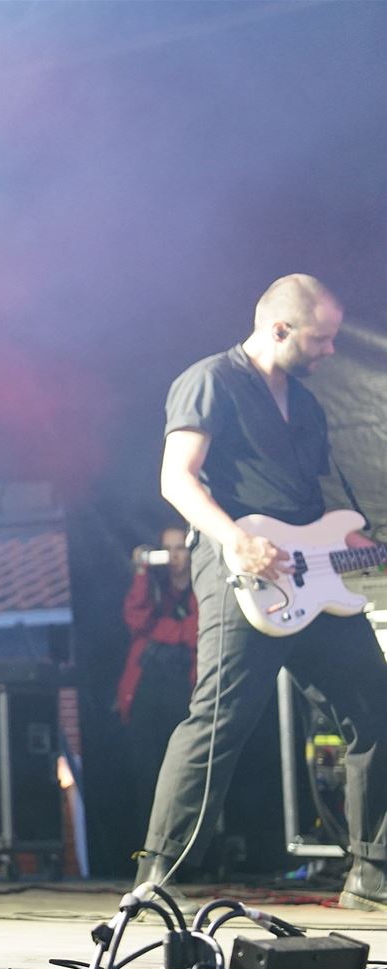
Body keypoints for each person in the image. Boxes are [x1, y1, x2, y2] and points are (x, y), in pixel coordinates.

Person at [134, 274, 387, 911]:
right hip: (240, 570)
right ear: (279, 329)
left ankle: (372, 873)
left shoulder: (306, 405)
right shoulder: (211, 380)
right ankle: (157, 878)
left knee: (377, 708)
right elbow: (176, 479)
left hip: (312, 579)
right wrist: (235, 540)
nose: (330, 350)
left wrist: (354, 546)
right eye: (321, 339)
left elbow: (312, 506)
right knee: (219, 719)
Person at [113, 527, 197, 824]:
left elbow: (198, 630)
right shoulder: (154, 586)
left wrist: (157, 631)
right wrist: (141, 572)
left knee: (186, 776)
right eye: (167, 549)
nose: (174, 556)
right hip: (146, 695)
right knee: (147, 776)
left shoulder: (204, 588)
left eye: (180, 548)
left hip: (185, 695)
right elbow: (135, 617)